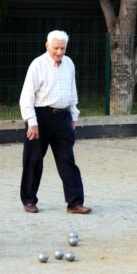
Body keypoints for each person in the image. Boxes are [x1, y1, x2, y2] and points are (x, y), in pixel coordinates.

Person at [19, 30, 91, 214]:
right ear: (47, 46)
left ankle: (74, 203)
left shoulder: (69, 63)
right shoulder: (37, 64)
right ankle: (29, 200)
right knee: (33, 160)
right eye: (56, 48)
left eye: (62, 48)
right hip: (40, 116)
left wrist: (74, 117)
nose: (59, 52)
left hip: (63, 118)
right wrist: (31, 122)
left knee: (68, 161)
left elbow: (72, 91)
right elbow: (26, 96)